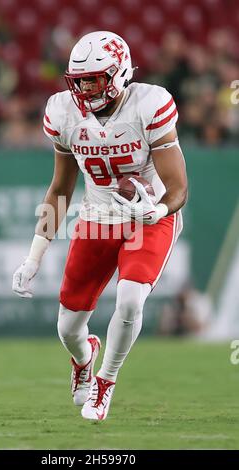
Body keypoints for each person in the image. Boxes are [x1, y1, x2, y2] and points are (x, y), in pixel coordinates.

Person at [12, 31, 188, 421]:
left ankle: (105, 383)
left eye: (95, 78)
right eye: (80, 80)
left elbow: (178, 188)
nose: (86, 87)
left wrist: (158, 211)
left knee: (129, 299)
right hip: (96, 219)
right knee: (69, 327)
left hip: (148, 217)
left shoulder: (150, 104)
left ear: (120, 73)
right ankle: (85, 356)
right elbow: (60, 189)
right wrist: (33, 257)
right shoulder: (62, 113)